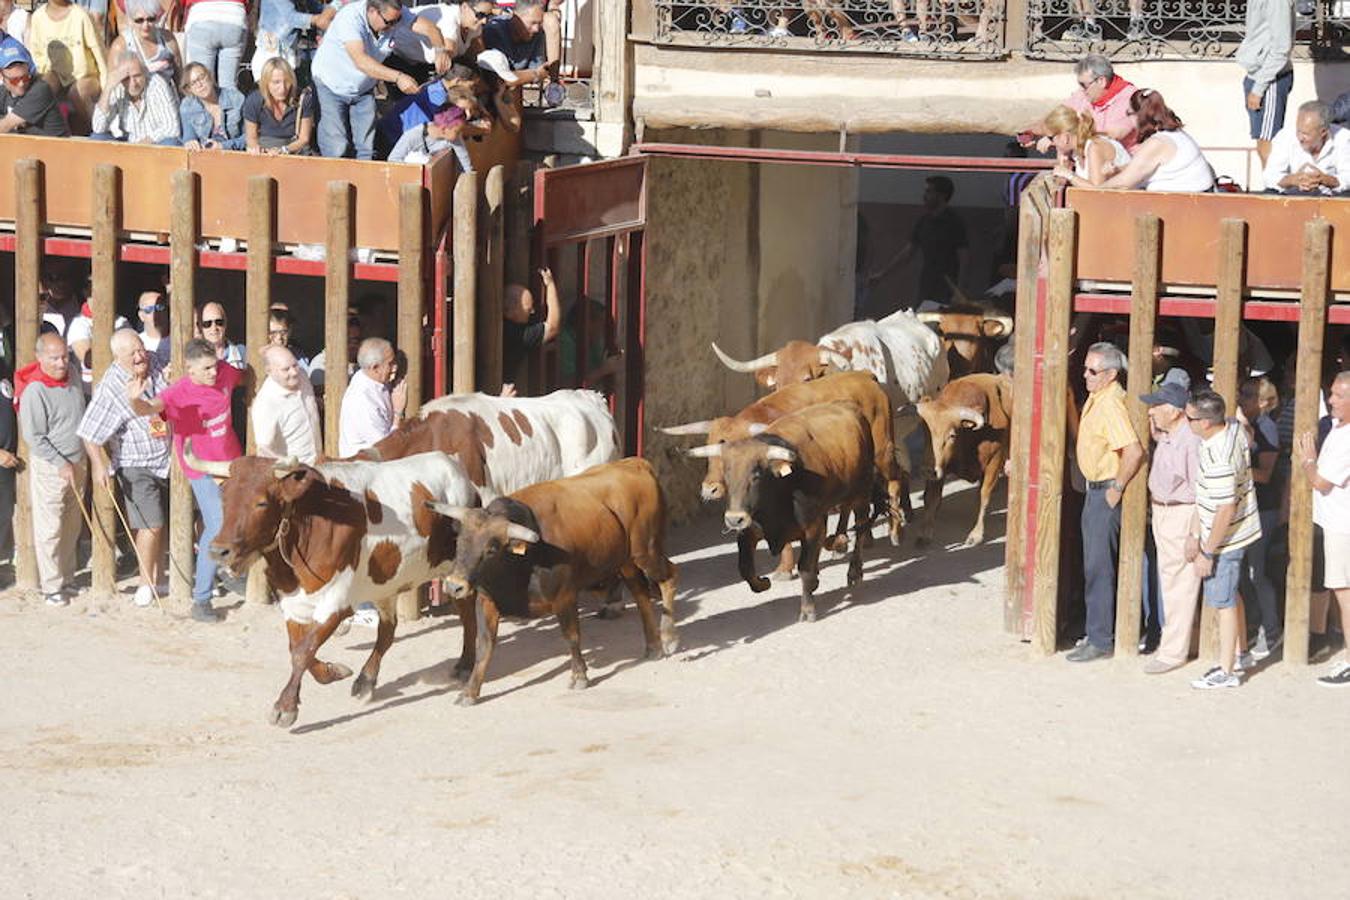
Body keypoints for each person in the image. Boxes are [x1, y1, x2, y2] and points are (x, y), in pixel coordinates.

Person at [127, 338, 242, 623]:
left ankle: (230, 570)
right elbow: (150, 408)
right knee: (215, 526)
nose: (213, 373)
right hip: (200, 467)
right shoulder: (178, 392)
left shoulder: (226, 371)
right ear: (189, 369)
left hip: (230, 463)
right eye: (205, 369)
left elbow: (245, 375)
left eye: (214, 366)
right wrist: (134, 399)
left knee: (238, 520)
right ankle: (201, 599)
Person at [77, 329, 170, 608]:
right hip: (135, 462)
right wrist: (98, 464)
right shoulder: (111, 386)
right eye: (133, 354)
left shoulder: (155, 362)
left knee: (164, 520)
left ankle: (159, 574)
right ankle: (145, 583)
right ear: (118, 358)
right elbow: (89, 432)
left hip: (167, 457)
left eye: (141, 349)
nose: (141, 356)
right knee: (150, 523)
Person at [1068, 342, 1145, 662]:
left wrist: (1116, 487)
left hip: (1104, 493)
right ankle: (1096, 631)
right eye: (1084, 368)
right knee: (1094, 565)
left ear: (1111, 374)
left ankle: (1100, 639)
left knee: (1099, 567)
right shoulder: (1098, 398)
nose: (1085, 375)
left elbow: (1133, 449)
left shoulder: (1111, 403)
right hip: (1095, 490)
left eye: (1093, 371)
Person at [1187, 389, 1263, 690]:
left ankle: (1226, 670)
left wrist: (1207, 551)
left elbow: (1225, 508)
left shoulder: (1219, 457)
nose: (1187, 421)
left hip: (1225, 539)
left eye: (1190, 417)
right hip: (1237, 532)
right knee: (1233, 594)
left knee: (1223, 601)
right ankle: (1241, 652)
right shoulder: (1232, 429)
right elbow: (1247, 430)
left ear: (1206, 422)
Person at [16, 333, 88, 608]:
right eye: (54, 358)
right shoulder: (35, 390)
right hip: (52, 466)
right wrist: (60, 463)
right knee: (50, 528)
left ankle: (67, 577)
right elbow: (34, 436)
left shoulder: (72, 374)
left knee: (72, 524)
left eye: (64, 356)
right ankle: (51, 586)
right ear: (40, 357)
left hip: (77, 460)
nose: (61, 363)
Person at [1139, 375, 1203, 674]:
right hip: (1166, 512)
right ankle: (1182, 644)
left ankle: (1173, 652)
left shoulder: (1189, 442)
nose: (1151, 411)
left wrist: (1194, 531)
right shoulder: (1171, 435)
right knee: (1173, 580)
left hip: (1181, 513)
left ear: (1176, 410)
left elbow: (1200, 490)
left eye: (1157, 406)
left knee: (1179, 584)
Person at [310, 0, 419, 160]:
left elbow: (424, 25)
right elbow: (360, 61)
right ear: (373, 11)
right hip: (330, 84)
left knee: (366, 147)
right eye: (389, 22)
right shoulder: (350, 17)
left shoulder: (393, 13)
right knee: (336, 146)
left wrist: (440, 49)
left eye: (397, 21)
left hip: (362, 88)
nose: (394, 26)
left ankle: (363, 183)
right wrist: (398, 77)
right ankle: (333, 181)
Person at [1297, 371, 1350, 687]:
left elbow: (1320, 481)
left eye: (1339, 395)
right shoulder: (1337, 428)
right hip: (1335, 523)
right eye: (1332, 393)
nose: (1331, 400)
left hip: (1341, 526)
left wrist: (1307, 460)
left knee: (1345, 596)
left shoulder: (1347, 437)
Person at [1056, 89, 1214, 193]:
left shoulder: (1158, 143)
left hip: (1184, 207)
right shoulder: (1173, 133)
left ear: (1141, 115)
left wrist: (1097, 191)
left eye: (1129, 113)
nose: (1128, 120)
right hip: (1188, 200)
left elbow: (1124, 183)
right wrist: (1117, 170)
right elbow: (1140, 167)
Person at [1236, 375, 1283, 659]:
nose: (1243, 399)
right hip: (1247, 507)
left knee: (1258, 572)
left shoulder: (1268, 429)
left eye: (1249, 395)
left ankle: (1271, 631)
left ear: (1264, 401)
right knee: (1244, 572)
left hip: (1263, 508)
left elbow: (1265, 475)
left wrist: (1234, 468)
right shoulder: (1248, 425)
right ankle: (1255, 624)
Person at [872, 176, 968, 307]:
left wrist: (959, 291)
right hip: (926, 287)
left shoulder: (954, 223)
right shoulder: (924, 222)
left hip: (948, 290)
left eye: (929, 192)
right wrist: (882, 275)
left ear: (942, 195)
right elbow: (907, 253)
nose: (924, 196)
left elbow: (964, 258)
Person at [1023, 54, 1138, 153]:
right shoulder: (1085, 94)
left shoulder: (1129, 99)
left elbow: (1111, 136)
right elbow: (1058, 116)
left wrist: (1056, 138)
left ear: (1101, 81)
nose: (1081, 89)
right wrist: (1032, 132)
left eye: (1084, 85)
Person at [26, 0, 107, 135]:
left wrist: (106, 91)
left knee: (76, 92)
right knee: (44, 87)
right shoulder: (38, 17)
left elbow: (100, 55)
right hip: (55, 77)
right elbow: (37, 55)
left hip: (85, 79)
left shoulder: (81, 16)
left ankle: (97, 132)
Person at [1236, 0, 1295, 168]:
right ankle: (1270, 184)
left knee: (1269, 141)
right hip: (1257, 74)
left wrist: (1259, 88)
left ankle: (1273, 189)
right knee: (1261, 141)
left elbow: (1281, 49)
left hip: (1270, 78)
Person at [1262, 100, 1350, 195]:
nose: (1300, 137)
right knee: (1269, 194)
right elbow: (1270, 176)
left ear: (1323, 132)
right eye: (1298, 131)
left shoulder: (1343, 138)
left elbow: (1348, 176)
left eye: (1305, 134)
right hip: (1292, 197)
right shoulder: (1285, 136)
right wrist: (1292, 180)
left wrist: (1325, 179)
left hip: (1330, 199)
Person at [252, 344, 322, 464]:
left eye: (295, 365)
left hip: (318, 463)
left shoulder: (302, 375)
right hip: (295, 473)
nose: (294, 372)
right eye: (286, 369)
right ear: (269, 371)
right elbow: (264, 449)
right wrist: (288, 467)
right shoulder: (266, 403)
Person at [338, 336, 407, 457]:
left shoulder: (375, 380)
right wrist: (398, 412)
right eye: (390, 364)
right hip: (366, 469)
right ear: (375, 368)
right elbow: (385, 448)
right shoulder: (362, 401)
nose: (395, 367)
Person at [91, 52, 180, 145]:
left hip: (155, 144)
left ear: (145, 72)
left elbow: (173, 127)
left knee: (171, 142)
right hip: (130, 143)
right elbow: (98, 127)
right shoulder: (117, 86)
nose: (133, 83)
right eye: (127, 78)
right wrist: (107, 89)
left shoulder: (158, 85)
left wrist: (147, 140)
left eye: (137, 76)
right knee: (97, 137)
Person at [242, 56, 315, 155]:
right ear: (266, 83)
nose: (283, 88)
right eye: (276, 82)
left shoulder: (303, 99)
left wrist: (283, 150)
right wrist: (256, 149)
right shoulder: (254, 100)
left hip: (293, 150)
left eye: (287, 81)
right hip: (265, 151)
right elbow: (251, 137)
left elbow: (304, 139)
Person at [1042, 104, 1130, 186]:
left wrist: (1069, 175)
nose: (1051, 143)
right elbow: (1059, 183)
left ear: (1065, 137)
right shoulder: (1077, 150)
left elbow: (1097, 190)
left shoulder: (1095, 147)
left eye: (1050, 138)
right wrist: (1063, 164)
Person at [252, 0, 334, 85]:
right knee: (274, 88)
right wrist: (318, 19)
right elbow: (291, 18)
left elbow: (317, 7)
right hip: (272, 52)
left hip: (287, 50)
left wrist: (337, 7)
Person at [108, 0, 183, 91]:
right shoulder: (120, 46)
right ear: (131, 19)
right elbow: (112, 87)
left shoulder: (168, 40)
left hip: (167, 97)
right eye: (139, 20)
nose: (145, 25)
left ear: (157, 17)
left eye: (151, 19)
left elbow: (180, 80)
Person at [503, 266, 560, 381]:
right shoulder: (518, 334)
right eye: (528, 309)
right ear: (509, 312)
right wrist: (550, 284)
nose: (533, 312)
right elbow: (553, 326)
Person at [0, 45, 70, 137]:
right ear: (2, 77)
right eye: (14, 80)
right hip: (26, 147)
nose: (21, 84)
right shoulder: (3, 91)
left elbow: (5, 126)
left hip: (55, 147)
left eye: (25, 77)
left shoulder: (40, 90)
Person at [481, 0, 553, 86]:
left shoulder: (538, 34)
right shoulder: (493, 31)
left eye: (539, 23)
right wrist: (535, 74)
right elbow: (502, 78)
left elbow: (538, 70)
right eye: (533, 23)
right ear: (515, 18)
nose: (536, 29)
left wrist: (531, 75)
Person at [182, 0, 248, 93]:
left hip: (201, 15)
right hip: (235, 15)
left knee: (202, 84)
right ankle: (232, 106)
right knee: (229, 85)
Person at [178, 61, 245, 150]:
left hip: (235, 154)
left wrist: (223, 146)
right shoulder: (187, 106)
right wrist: (190, 142)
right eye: (193, 83)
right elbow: (189, 136)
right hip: (204, 156)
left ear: (210, 76)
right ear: (189, 89)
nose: (199, 85)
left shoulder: (236, 98)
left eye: (201, 77)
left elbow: (250, 137)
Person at [388, 104, 470, 167]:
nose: (460, 134)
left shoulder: (454, 138)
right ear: (444, 129)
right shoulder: (412, 136)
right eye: (457, 131)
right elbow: (393, 160)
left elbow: (464, 160)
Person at [197, 301, 245, 368]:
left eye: (219, 322)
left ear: (225, 324)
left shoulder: (242, 353)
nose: (214, 328)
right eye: (207, 324)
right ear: (200, 327)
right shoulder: (194, 358)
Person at [135, 290, 171, 367]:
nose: (155, 313)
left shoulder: (180, 339)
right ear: (141, 315)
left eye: (159, 307)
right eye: (148, 310)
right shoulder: (136, 342)